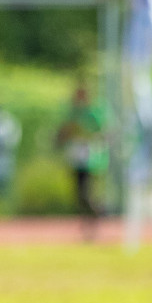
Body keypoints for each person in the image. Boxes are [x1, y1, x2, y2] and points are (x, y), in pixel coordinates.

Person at [56, 83, 107, 239]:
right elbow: (63, 132)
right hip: (76, 156)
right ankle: (88, 223)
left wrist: (88, 135)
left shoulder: (93, 114)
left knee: (87, 191)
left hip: (90, 157)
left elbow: (103, 132)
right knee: (79, 194)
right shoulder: (73, 114)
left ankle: (97, 214)